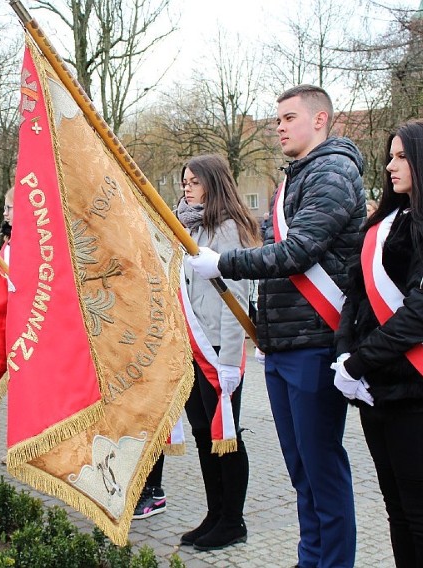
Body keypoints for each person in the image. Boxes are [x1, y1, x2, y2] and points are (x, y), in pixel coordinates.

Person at [188, 84, 364, 567]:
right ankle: (311, 560)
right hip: (285, 339)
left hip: (314, 339)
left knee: (321, 469)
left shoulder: (333, 172)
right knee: (301, 471)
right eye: (278, 119)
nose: (279, 127)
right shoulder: (295, 178)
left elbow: (297, 250)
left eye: (289, 118)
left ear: (321, 120)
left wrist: (224, 263)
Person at [334, 118, 423, 567]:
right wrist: (343, 351)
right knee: (397, 513)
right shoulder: (387, 222)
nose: (390, 165)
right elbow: (355, 294)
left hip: (422, 394)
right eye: (390, 156)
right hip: (379, 391)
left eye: (401, 156)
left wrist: (357, 363)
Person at [136, 155, 257, 553]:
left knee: (227, 435)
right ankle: (214, 512)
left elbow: (234, 296)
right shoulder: (186, 226)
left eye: (194, 182)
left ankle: (232, 520)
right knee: (205, 434)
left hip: (218, 350)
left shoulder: (227, 229)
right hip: (191, 347)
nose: (186, 187)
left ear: (214, 184)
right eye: (184, 181)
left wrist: (229, 361)